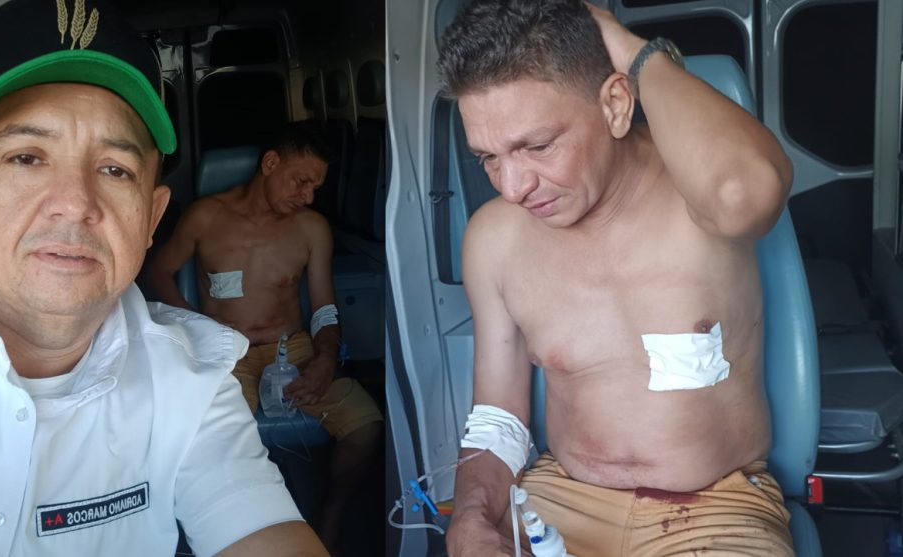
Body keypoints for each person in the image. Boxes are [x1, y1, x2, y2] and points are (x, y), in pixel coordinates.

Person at [0, 0, 328, 555]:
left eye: (115, 169)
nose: (75, 203)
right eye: (26, 157)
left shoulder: (191, 384)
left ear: (151, 217)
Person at [437, 1, 795, 556]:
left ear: (616, 105)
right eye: (488, 157)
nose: (512, 187)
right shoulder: (494, 239)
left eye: (538, 146)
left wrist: (631, 51)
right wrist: (472, 516)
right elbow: (498, 418)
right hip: (559, 499)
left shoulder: (699, 201)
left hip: (715, 509)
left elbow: (744, 194)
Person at [147, 120, 383, 554]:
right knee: (208, 442)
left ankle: (331, 516)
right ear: (271, 163)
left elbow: (324, 308)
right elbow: (160, 270)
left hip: (292, 349)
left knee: (365, 426)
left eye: (315, 187)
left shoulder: (311, 228)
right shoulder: (206, 216)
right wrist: (197, 330)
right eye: (301, 181)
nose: (307, 196)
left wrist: (325, 359)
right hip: (226, 353)